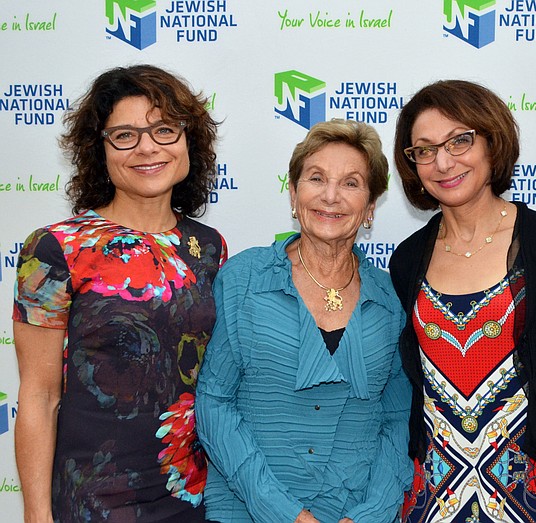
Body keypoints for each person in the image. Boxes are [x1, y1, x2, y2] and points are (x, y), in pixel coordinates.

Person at [12, 64, 227, 522]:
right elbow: (38, 395)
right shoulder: (55, 249)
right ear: (100, 149)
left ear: (189, 141)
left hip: (194, 497)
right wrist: (35, 514)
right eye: (125, 135)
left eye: (164, 130)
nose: (148, 147)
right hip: (94, 499)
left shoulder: (210, 248)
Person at [389, 79, 536, 522]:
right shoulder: (406, 259)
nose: (443, 162)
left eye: (460, 140)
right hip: (437, 487)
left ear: (491, 141)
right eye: (424, 149)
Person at [195, 119, 411, 523]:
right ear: (293, 193)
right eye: (316, 178)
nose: (331, 196)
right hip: (248, 510)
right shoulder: (244, 278)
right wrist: (284, 513)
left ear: (369, 206)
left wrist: (373, 514)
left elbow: (397, 419)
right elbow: (214, 402)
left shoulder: (390, 297)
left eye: (351, 183)